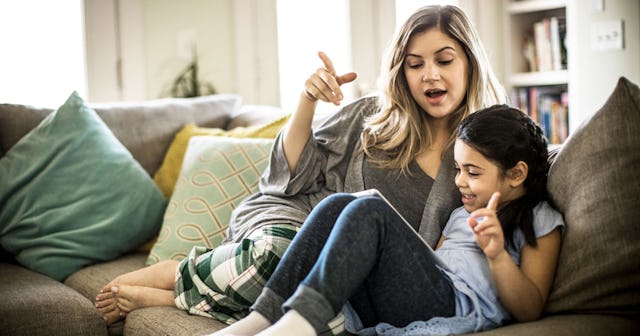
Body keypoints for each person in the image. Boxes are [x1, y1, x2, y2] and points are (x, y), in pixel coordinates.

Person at [95, 4, 506, 333]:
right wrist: (307, 101)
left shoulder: (483, 152)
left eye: (444, 60)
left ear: (470, 63)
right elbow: (288, 175)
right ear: (402, 72)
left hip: (363, 275)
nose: (429, 74)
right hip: (300, 221)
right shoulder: (372, 119)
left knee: (332, 320)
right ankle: (178, 275)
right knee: (283, 255)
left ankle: (178, 296)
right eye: (415, 64)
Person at [211, 104, 565, 336]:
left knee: (370, 209)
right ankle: (261, 318)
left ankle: (297, 325)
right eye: (458, 169)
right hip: (410, 297)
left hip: (452, 308)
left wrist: (498, 254)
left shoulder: (539, 219)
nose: (459, 181)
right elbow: (431, 263)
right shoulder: (462, 213)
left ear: (516, 174)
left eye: (472, 172)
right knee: (339, 204)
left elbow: (531, 308)